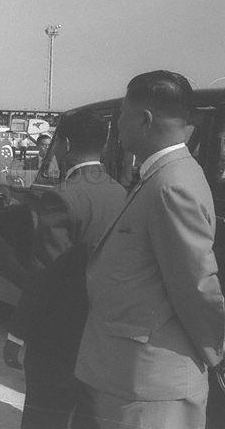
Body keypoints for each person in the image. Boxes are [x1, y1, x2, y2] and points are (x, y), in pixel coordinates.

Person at [75, 71, 225, 429]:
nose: (118, 127)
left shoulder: (172, 185)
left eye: (122, 116)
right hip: (129, 377)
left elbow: (196, 286)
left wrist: (218, 354)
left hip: (151, 387)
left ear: (144, 120)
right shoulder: (161, 177)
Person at [3, 109, 126, 428]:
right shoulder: (121, 193)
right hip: (100, 333)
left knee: (44, 417)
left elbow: (44, 276)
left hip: (57, 337)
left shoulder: (62, 198)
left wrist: (16, 334)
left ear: (66, 144)